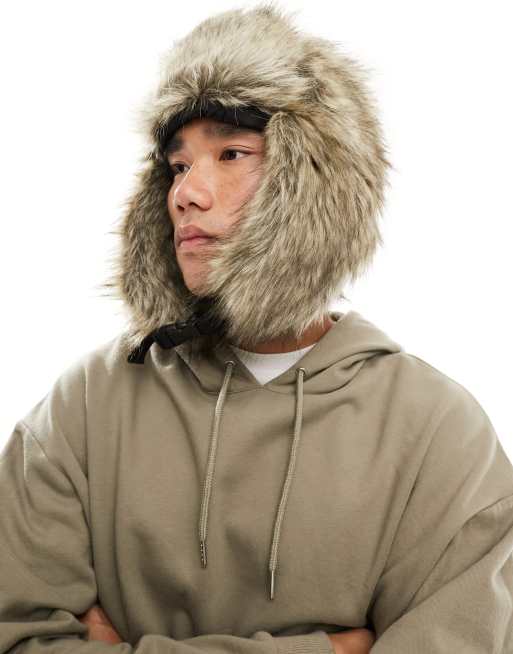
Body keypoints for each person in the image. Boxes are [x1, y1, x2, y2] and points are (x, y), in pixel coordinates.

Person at [1, 3, 512, 654]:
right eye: (178, 165)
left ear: (316, 184)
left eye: (231, 153)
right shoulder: (84, 406)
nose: (187, 193)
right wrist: (322, 651)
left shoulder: (436, 431)